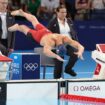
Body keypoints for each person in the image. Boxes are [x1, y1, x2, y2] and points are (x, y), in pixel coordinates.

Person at [8, 9, 84, 62]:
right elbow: (46, 52)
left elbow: (80, 46)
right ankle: (16, 27)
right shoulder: (51, 43)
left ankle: (23, 13)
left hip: (46, 31)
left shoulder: (64, 38)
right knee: (24, 28)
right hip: (38, 36)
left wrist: (80, 52)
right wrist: (56, 56)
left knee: (34, 20)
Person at [47, 5, 79, 78]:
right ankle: (56, 82)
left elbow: (73, 33)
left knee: (75, 54)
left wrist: (76, 43)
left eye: (65, 12)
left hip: (68, 45)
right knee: (59, 63)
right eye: (62, 12)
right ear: (57, 12)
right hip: (57, 46)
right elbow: (48, 35)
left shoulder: (69, 21)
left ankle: (68, 69)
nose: (64, 14)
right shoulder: (52, 22)